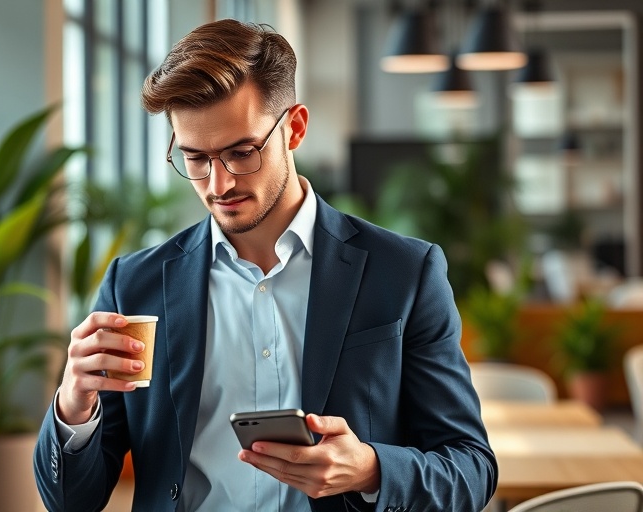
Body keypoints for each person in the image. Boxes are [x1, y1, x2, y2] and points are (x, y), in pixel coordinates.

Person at [34, 18, 497, 512]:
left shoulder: (405, 273)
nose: (218, 185)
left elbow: (471, 468)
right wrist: (73, 404)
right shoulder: (136, 285)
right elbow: (70, 502)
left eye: (241, 152)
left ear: (294, 127)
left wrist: (369, 469)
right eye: (195, 159)